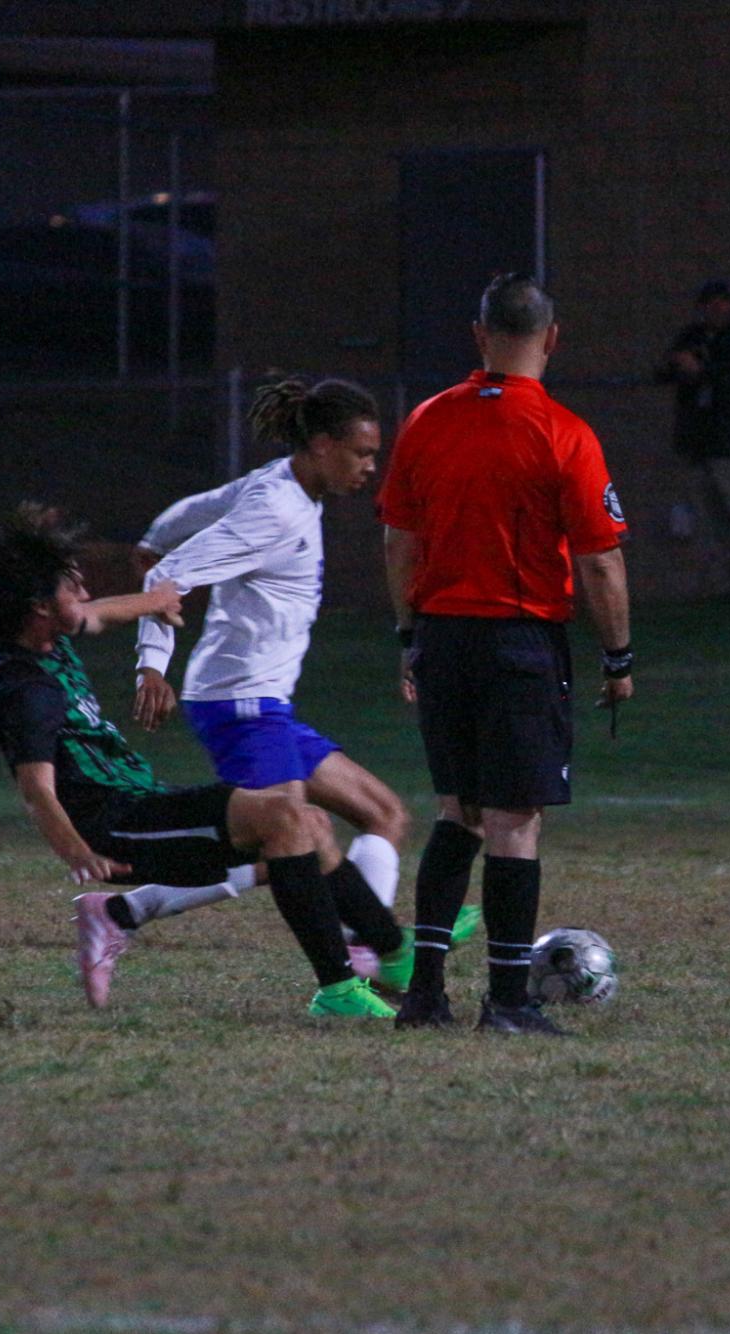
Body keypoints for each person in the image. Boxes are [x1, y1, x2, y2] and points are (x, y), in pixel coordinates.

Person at [0, 504, 403, 1018]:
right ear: (39, 607)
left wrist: (156, 599)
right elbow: (36, 787)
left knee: (307, 822)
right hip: (115, 826)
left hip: (141, 802)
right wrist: (77, 852)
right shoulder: (26, 687)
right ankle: (344, 986)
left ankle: (392, 952)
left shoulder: (44, 637)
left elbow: (100, 612)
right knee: (286, 818)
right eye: (71, 587)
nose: (83, 594)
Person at [127, 378, 475, 984]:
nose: (371, 467)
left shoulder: (281, 485)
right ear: (320, 444)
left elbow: (198, 511)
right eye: (362, 454)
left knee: (383, 814)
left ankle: (367, 939)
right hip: (237, 702)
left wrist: (154, 535)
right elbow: (171, 573)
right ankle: (131, 907)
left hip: (266, 703)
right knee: (292, 840)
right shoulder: (274, 508)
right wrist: (151, 664)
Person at [378, 272, 634, 1036]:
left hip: (441, 634)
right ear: (551, 339)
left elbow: (398, 540)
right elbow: (598, 562)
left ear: (477, 334)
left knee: (457, 811)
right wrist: (617, 656)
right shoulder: (564, 433)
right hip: (518, 640)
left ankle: (424, 996)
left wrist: (408, 636)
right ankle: (510, 1002)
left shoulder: (425, 421)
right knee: (513, 821)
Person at [654, 278, 730, 604]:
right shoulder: (692, 336)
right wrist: (679, 364)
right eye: (711, 302)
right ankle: (725, 587)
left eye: (723, 302)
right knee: (709, 520)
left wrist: (699, 367)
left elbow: (725, 370)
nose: (717, 308)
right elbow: (666, 368)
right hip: (699, 443)